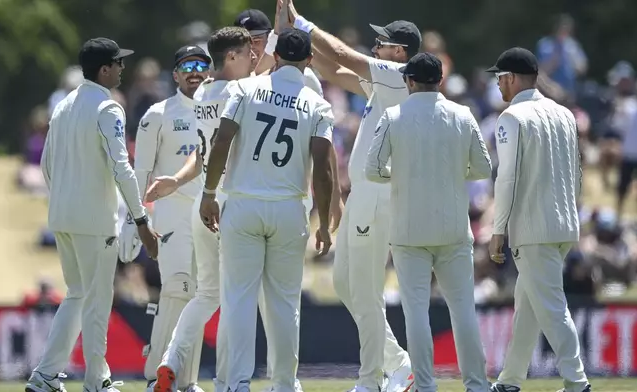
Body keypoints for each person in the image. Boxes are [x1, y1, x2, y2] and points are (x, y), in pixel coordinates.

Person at [285, 2, 417, 391]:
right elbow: (333, 69)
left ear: (400, 52)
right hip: (364, 195)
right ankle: (399, 364)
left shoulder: (400, 76)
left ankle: (370, 379)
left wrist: (300, 23)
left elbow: (345, 55)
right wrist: (296, 49)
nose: (376, 46)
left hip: (378, 195)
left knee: (365, 287)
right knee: (345, 284)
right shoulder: (385, 83)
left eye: (383, 43)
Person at [200, 28, 334, 392]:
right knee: (285, 304)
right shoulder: (318, 104)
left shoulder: (244, 90)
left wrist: (209, 192)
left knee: (239, 297)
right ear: (308, 62)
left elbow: (222, 140)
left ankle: (238, 383)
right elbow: (322, 168)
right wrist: (322, 221)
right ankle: (285, 384)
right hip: (289, 209)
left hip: (243, 203)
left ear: (275, 58)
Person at [27, 37, 159, 392]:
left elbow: (46, 165)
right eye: (117, 63)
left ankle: (45, 375)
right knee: (97, 301)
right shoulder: (108, 108)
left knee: (77, 295)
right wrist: (142, 220)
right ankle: (96, 381)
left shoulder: (64, 106)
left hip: (63, 218)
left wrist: (64, 201)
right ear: (104, 69)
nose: (121, 69)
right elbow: (122, 168)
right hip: (95, 221)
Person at [365, 52, 491, 392]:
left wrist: (403, 174)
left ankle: (425, 385)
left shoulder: (394, 116)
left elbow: (372, 169)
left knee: (416, 313)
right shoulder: (462, 114)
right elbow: (483, 168)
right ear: (440, 81)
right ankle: (477, 385)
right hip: (452, 227)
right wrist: (450, 173)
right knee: (463, 309)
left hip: (409, 230)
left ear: (409, 81)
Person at [145, 26, 256, 392]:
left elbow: (202, 150)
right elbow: (221, 145)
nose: (254, 58)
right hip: (230, 203)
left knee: (206, 294)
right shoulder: (245, 91)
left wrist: (176, 180)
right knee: (237, 294)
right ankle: (232, 381)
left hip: (201, 204)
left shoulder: (205, 93)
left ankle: (170, 361)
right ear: (231, 57)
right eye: (247, 52)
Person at [486, 47, 590, 392]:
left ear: (512, 79)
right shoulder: (564, 114)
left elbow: (507, 178)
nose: (499, 86)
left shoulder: (511, 118)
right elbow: (577, 173)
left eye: (500, 79)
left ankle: (577, 383)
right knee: (528, 304)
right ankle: (510, 380)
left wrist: (498, 229)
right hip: (563, 223)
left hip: (533, 227)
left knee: (550, 305)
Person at [119, 44, 213, 392]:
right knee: (176, 290)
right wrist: (134, 220)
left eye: (202, 64)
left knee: (201, 295)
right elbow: (140, 170)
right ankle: (154, 376)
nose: (195, 71)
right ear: (174, 74)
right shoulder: (158, 114)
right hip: (172, 212)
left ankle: (185, 380)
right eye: (187, 65)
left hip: (208, 213)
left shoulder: (218, 110)